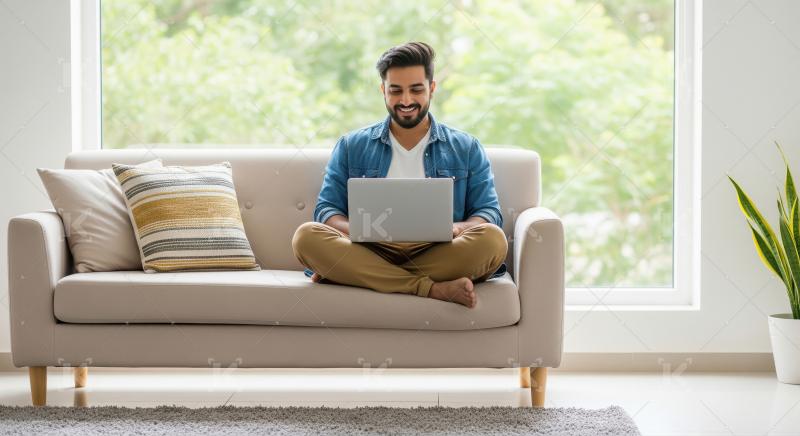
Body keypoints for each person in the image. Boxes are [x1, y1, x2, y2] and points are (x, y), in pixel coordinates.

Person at [291, 41, 507, 308]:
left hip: (437, 250)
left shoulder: (466, 147)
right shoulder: (351, 145)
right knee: (306, 237)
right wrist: (363, 231)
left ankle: (355, 275)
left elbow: (488, 214)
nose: (406, 101)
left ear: (432, 88)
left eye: (416, 90)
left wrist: (456, 228)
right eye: (396, 91)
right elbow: (326, 211)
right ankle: (428, 288)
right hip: (369, 249)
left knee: (493, 241)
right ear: (383, 90)